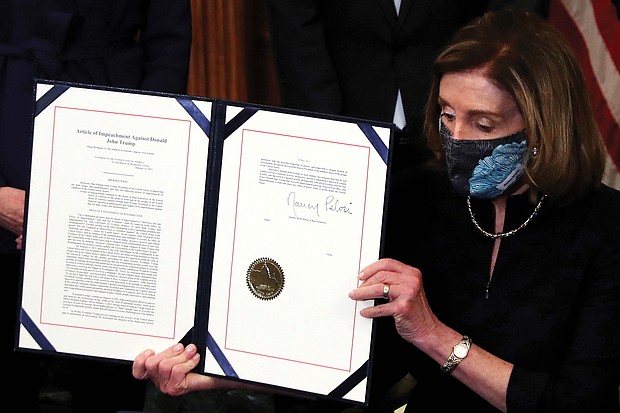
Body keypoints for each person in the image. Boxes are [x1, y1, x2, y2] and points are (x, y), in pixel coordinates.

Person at [132, 9, 620, 413]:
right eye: (447, 115)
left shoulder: (604, 227)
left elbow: (580, 404)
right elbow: (355, 359)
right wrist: (214, 374)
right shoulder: (425, 198)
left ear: (542, 124)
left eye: (483, 123)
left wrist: (433, 335)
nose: (458, 140)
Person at [0, 1, 192, 411]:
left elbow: (168, 46)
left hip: (117, 130)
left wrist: (150, 151)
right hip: (5, 115)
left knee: (108, 369)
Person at [265, 0, 549, 173]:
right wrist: (329, 135)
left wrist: (478, 114)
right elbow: (295, 30)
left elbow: (514, 18)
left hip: (465, 123)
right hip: (342, 128)